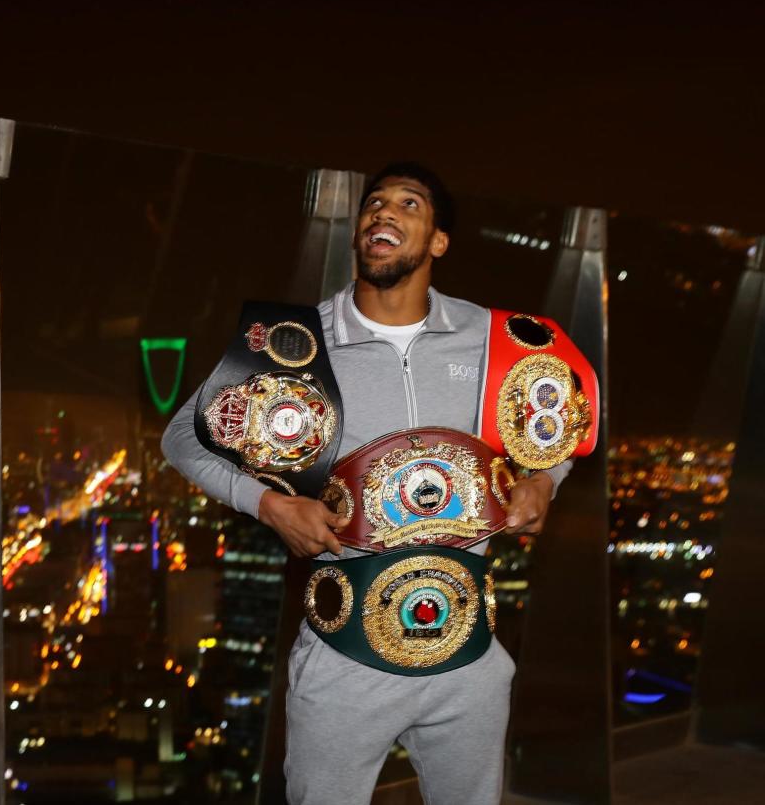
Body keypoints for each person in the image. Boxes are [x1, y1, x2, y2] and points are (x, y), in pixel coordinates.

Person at [161, 161, 575, 805]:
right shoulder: (292, 343)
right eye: (374, 204)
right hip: (344, 658)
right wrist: (269, 505)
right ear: (359, 232)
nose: (383, 212)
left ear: (438, 241)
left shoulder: (493, 339)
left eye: (408, 204)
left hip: (471, 662)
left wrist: (545, 479)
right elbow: (184, 438)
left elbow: (559, 423)